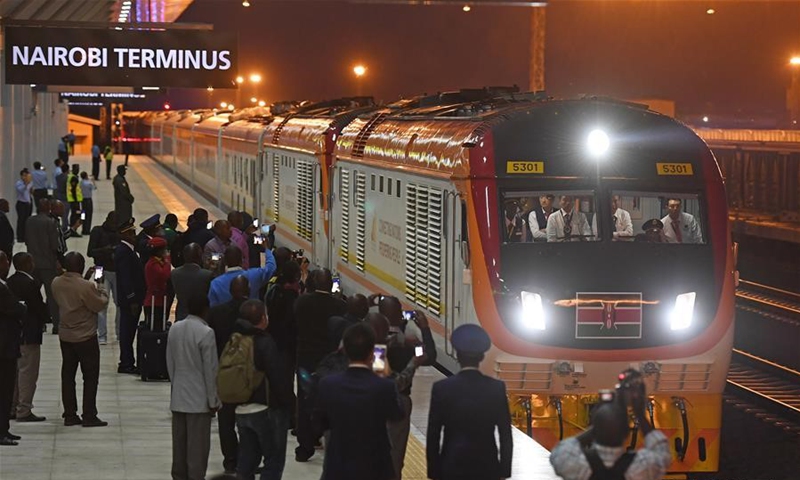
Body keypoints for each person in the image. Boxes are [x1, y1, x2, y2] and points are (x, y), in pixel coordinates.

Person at [313, 322, 404, 479]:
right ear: (372, 353)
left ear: (345, 350)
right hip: (376, 466)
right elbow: (397, 414)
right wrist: (384, 376)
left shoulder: (328, 384)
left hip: (339, 463)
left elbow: (319, 422)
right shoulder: (385, 386)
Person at [426, 324, 512, 480]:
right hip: (487, 467)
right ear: (481, 357)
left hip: (451, 465)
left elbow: (434, 433)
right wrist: (504, 471)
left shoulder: (441, 388)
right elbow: (505, 434)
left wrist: (434, 470)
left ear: (458, 356)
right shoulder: (496, 388)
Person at [549, 371, 672, 480]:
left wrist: (598, 426)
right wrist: (639, 413)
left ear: (595, 430)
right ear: (626, 433)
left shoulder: (574, 464)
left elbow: (561, 450)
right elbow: (661, 452)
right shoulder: (642, 467)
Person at [233, 300, 294, 480]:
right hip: (265, 410)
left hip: (241, 409)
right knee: (273, 461)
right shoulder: (264, 342)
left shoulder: (235, 339)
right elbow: (277, 378)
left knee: (246, 460)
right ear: (262, 318)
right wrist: (291, 406)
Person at [379, 296, 437, 479]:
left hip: (372, 401)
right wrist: (425, 330)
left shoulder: (372, 340)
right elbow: (430, 356)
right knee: (395, 454)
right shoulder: (410, 345)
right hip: (399, 401)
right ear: (398, 315)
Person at [51, 252, 109, 427]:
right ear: (82, 266)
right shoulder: (86, 286)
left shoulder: (56, 282)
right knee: (90, 376)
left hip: (66, 335)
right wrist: (100, 285)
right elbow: (99, 304)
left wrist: (85, 279)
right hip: (85, 336)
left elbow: (74, 292)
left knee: (68, 375)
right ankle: (89, 414)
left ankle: (70, 414)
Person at [293, 268, 347, 462]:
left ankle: (305, 447)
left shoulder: (301, 302)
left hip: (306, 359)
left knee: (305, 400)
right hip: (329, 362)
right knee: (328, 400)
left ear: (314, 282)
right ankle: (324, 436)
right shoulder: (339, 306)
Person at [166, 290, 220, 480]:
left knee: (179, 449)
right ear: (206, 310)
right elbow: (210, 369)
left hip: (178, 397)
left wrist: (177, 385)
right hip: (199, 401)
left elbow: (170, 363)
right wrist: (213, 400)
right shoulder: (206, 333)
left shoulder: (175, 328)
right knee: (197, 452)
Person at [207, 276, 250, 475]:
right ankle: (247, 458)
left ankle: (230, 459)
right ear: (247, 290)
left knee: (226, 421)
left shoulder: (217, 312)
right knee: (249, 420)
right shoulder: (254, 312)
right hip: (249, 375)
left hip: (223, 373)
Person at [7, 253, 49, 423]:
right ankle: (24, 409)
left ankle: (12, 406)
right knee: (28, 373)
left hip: (14, 334)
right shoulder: (30, 283)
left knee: (15, 372)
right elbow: (38, 307)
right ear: (26, 264)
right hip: (29, 333)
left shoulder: (9, 282)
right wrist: (47, 318)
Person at [264, 260, 302, 431]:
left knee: (278, 380)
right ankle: (293, 416)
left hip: (274, 342)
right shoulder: (292, 298)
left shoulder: (273, 292)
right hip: (287, 345)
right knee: (286, 381)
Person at [0, 251, 27, 446]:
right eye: (5, 261)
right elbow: (15, 309)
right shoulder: (1, 288)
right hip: (4, 346)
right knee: (4, 389)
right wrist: (21, 306)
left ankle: (5, 429)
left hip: (6, 343)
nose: (8, 264)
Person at [25, 198, 62, 334]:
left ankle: (38, 324)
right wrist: (57, 261)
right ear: (48, 208)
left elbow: (27, 240)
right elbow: (54, 245)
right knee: (52, 296)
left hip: (32, 263)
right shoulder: (50, 222)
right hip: (48, 263)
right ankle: (56, 325)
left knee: (33, 296)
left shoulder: (29, 221)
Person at [114, 219, 145, 374]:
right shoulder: (124, 252)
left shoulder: (129, 250)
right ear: (123, 235)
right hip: (129, 301)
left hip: (132, 299)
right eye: (131, 233)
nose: (134, 235)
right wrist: (132, 298)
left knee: (129, 331)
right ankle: (126, 363)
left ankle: (128, 361)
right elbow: (126, 278)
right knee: (127, 332)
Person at [87, 211, 119, 344]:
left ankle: (119, 333)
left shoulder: (119, 233)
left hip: (117, 270)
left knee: (120, 303)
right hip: (100, 268)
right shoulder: (97, 231)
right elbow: (90, 252)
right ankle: (102, 335)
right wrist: (105, 250)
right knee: (101, 303)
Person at [209, 245, 276, 307]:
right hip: (251, 316)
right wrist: (266, 249)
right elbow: (271, 267)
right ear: (241, 261)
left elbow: (212, 307)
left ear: (225, 262)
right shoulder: (255, 275)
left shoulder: (215, 284)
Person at [170, 243, 213, 321]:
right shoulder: (207, 275)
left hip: (181, 315)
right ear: (200, 256)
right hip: (201, 316)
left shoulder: (174, 273)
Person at [143, 237, 171, 327]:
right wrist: (167, 261)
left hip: (161, 300)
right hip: (154, 301)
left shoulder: (159, 262)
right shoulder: (153, 264)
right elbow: (164, 275)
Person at [15, 168, 33, 243]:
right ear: (21, 176)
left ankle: (26, 236)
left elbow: (30, 192)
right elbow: (21, 191)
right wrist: (25, 184)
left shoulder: (30, 183)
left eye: (27, 175)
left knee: (27, 220)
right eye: (24, 176)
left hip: (28, 203)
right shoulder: (19, 183)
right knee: (21, 221)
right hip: (21, 203)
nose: (25, 177)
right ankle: (20, 237)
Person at [55, 163, 70, 231]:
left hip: (58, 196)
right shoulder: (68, 178)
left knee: (59, 212)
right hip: (65, 197)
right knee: (65, 214)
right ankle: (64, 227)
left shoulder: (58, 177)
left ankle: (60, 226)